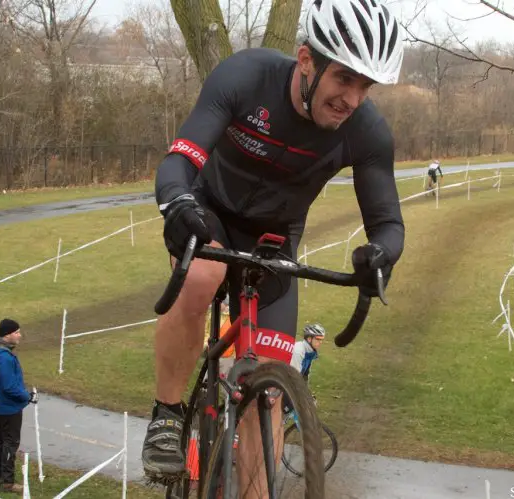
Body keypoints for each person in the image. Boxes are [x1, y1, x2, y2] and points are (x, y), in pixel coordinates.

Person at [142, 0, 406, 492]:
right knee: (203, 275)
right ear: (307, 60)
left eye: (365, 86)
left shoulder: (366, 131)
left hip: (274, 241)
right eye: (344, 79)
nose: (352, 98)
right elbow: (180, 159)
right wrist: (177, 202)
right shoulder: (246, 76)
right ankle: (166, 414)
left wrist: (381, 255)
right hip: (210, 211)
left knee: (270, 393)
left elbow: (388, 223)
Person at [0, 318, 38, 493]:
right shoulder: (4, 358)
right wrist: (27, 396)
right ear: (7, 335)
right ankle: (7, 482)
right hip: (8, 407)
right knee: (9, 443)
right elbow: (9, 386)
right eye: (16, 332)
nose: (20, 335)